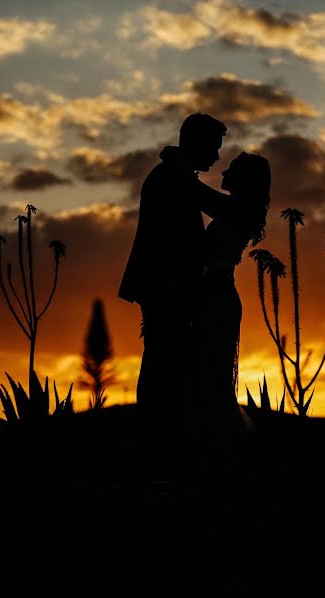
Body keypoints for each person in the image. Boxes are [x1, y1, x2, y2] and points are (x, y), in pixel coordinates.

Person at [118, 113, 229, 475]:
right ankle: (153, 436)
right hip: (165, 285)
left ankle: (159, 434)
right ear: (194, 142)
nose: (216, 157)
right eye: (212, 147)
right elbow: (205, 212)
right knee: (162, 358)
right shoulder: (170, 178)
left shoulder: (173, 174)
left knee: (166, 358)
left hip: (170, 285)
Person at [192, 151, 271, 469]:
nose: (224, 172)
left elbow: (198, 194)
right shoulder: (239, 210)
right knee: (210, 373)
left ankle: (222, 452)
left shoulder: (236, 209)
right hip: (218, 294)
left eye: (232, 170)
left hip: (217, 297)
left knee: (212, 375)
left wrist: (180, 170)